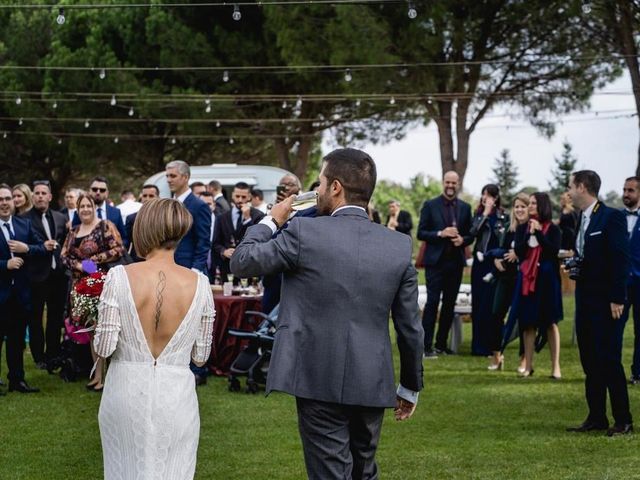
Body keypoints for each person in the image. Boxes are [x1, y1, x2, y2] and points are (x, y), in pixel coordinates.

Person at [231, 148, 424, 480]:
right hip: (371, 379)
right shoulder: (398, 245)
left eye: (320, 183)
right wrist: (409, 386)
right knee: (364, 472)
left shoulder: (304, 233)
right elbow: (410, 328)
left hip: (316, 377)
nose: (316, 191)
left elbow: (242, 261)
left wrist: (271, 219)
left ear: (336, 187)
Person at [94, 198, 215, 480]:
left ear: (143, 229)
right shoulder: (200, 283)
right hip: (177, 397)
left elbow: (104, 346)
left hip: (125, 390)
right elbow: (201, 355)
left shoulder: (119, 277)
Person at [566, 170, 633, 437]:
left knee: (609, 360)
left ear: (582, 187)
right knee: (590, 361)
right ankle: (596, 417)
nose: (568, 192)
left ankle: (623, 420)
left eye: (571, 187)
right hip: (585, 301)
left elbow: (620, 259)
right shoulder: (580, 218)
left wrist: (617, 297)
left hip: (607, 303)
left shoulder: (611, 217)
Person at [61, 193, 125, 392]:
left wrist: (93, 262)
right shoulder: (74, 230)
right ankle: (97, 374)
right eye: (82, 207)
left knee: (102, 330)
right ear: (78, 210)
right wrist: (80, 265)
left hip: (101, 284)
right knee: (90, 331)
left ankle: (107, 376)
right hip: (80, 287)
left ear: (94, 207)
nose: (86, 209)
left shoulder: (105, 226)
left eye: (89, 206)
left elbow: (118, 249)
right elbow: (64, 255)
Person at [417, 171, 473, 357]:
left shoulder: (465, 208)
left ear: (458, 184)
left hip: (455, 263)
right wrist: (441, 233)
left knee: (449, 305)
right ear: (443, 182)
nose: (450, 186)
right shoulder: (430, 205)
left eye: (454, 183)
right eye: (448, 182)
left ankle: (441, 345)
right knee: (432, 303)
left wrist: (462, 240)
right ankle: (426, 347)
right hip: (435, 263)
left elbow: (471, 234)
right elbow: (421, 233)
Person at [510, 193, 563, 378]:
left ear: (542, 206)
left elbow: (553, 250)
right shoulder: (523, 228)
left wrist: (539, 233)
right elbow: (518, 251)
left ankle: (555, 367)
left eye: (533, 203)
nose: (530, 206)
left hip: (547, 281)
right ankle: (528, 366)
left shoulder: (553, 229)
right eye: (529, 203)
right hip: (528, 281)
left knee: (550, 323)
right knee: (528, 324)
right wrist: (529, 235)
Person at [0, 184, 46, 393]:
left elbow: (43, 248)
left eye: (8, 198)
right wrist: (5, 265)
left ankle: (17, 380)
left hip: (20, 294)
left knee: (17, 340)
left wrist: (26, 248)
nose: (4, 203)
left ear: (13, 201)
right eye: (0, 199)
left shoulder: (24, 225)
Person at [25, 180, 69, 371]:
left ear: (50, 197)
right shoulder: (23, 219)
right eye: (37, 193)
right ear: (33, 196)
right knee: (35, 319)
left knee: (55, 317)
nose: (40, 196)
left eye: (44, 193)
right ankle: (39, 356)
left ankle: (53, 354)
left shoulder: (60, 218)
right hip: (36, 276)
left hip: (58, 275)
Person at [486, 192, 529, 371]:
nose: (519, 210)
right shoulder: (509, 228)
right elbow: (500, 249)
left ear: (529, 209)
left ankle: (524, 359)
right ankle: (497, 356)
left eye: (523, 206)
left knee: (523, 319)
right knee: (496, 314)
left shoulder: (531, 229)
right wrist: (496, 260)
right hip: (505, 277)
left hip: (524, 278)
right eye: (517, 206)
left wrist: (518, 254)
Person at [469, 184, 506, 356]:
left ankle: (492, 345)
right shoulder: (478, 215)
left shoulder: (502, 217)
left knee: (491, 305)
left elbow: (502, 239)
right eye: (483, 194)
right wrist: (484, 213)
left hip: (494, 263)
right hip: (479, 263)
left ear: (496, 198)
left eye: (489, 195)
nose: (485, 197)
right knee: (478, 304)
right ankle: (478, 346)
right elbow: (472, 232)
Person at [212, 181, 264, 281]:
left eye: (243, 197)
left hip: (249, 269)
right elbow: (215, 243)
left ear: (249, 197)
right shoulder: (222, 217)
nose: (240, 200)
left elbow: (259, 240)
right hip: (228, 268)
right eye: (237, 196)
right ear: (232, 195)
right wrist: (224, 251)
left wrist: (248, 219)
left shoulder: (258, 215)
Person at [166, 161, 211, 275]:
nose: (169, 180)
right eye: (167, 176)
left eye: (173, 176)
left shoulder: (199, 206)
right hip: (168, 267)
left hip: (189, 267)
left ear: (185, 177)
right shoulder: (167, 204)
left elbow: (203, 241)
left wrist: (196, 269)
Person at [621, 176, 640, 385]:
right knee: (614, 328)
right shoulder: (617, 217)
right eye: (624, 190)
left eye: (631, 191)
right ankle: (611, 370)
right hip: (620, 284)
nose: (626, 194)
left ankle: (638, 373)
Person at [73, 176, 127, 245]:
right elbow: (73, 238)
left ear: (107, 193)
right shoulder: (80, 213)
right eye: (95, 189)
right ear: (89, 191)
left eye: (102, 190)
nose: (98, 192)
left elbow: (124, 238)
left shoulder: (116, 212)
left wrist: (117, 248)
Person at [125, 184, 160, 262]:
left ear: (157, 198)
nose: (147, 199)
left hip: (157, 262)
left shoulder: (163, 218)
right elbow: (126, 243)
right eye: (145, 196)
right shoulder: (131, 218)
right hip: (136, 262)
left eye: (151, 196)